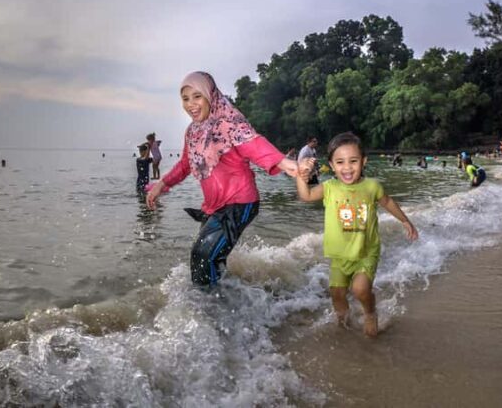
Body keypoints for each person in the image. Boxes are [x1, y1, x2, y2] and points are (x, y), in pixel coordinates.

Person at [145, 71, 299, 287]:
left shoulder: (228, 123)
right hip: (214, 207)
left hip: (240, 202)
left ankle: (208, 310)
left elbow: (254, 144)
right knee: (211, 258)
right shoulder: (193, 132)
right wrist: (161, 184)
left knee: (202, 256)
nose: (191, 104)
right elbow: (185, 164)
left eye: (197, 96)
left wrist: (284, 162)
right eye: (186, 98)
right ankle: (230, 300)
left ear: (210, 95)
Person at [296, 132, 418, 337]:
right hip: (339, 255)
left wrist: (405, 220)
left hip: (366, 251)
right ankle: (343, 322)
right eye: (340, 162)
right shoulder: (329, 188)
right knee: (337, 294)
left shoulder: (372, 186)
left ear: (363, 161)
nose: (347, 167)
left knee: (360, 289)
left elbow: (387, 202)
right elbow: (306, 195)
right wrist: (301, 177)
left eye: (353, 161)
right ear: (332, 165)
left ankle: (370, 312)